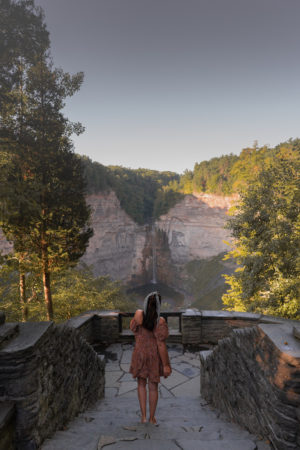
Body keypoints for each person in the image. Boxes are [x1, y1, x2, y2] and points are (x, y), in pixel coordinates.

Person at [129, 291, 172, 425]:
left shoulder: (138, 315)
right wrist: (166, 365)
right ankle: (152, 418)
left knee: (141, 384)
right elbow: (161, 344)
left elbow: (134, 329)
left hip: (140, 354)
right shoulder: (160, 321)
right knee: (153, 387)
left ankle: (143, 416)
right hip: (154, 356)